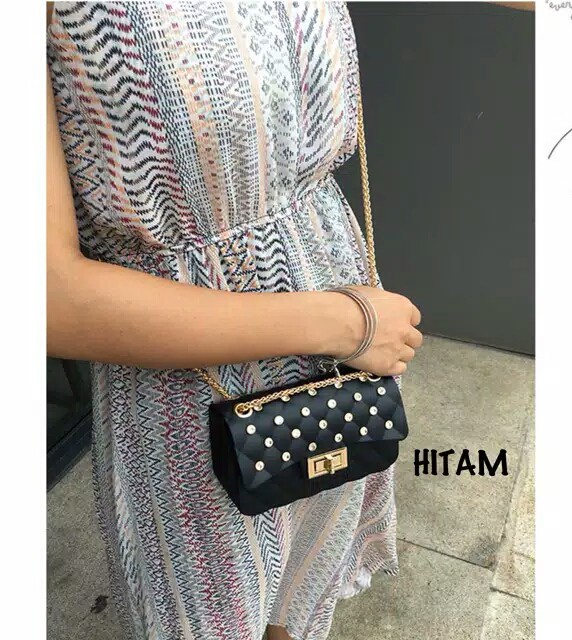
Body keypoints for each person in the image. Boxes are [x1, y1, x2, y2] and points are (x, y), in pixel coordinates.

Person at [46, 2, 422, 639]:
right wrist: (346, 324)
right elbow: (50, 296)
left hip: (341, 350)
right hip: (190, 384)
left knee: (301, 588)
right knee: (214, 612)